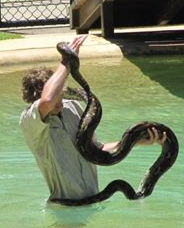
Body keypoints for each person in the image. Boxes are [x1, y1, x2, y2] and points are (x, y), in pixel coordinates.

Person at [19, 35, 167, 202]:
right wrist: (67, 61)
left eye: (61, 95)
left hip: (94, 202)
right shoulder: (30, 121)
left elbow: (98, 149)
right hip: (65, 207)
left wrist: (137, 141)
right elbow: (47, 100)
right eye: (56, 97)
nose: (59, 102)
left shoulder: (72, 107)